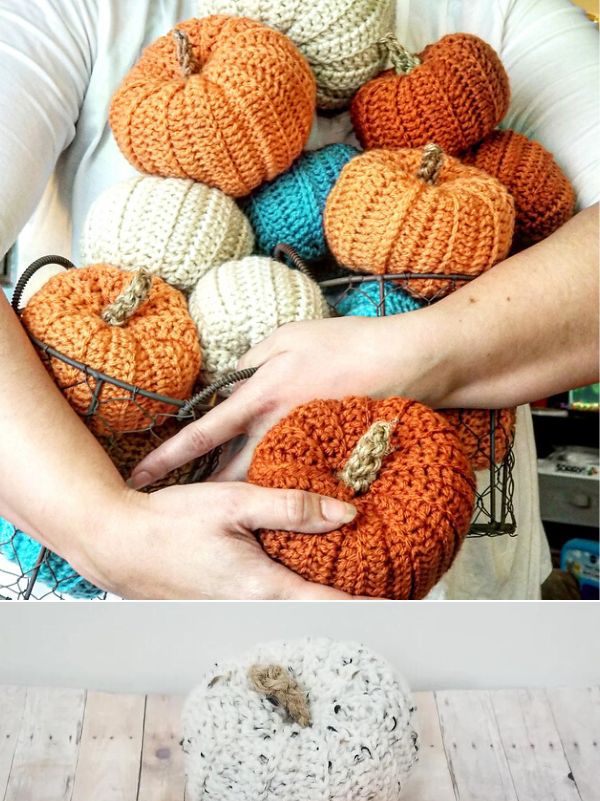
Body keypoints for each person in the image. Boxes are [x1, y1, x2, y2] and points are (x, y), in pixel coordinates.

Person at [0, 0, 597, 600]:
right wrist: (107, 534)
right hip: (129, 609)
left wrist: (410, 355)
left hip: (451, 607)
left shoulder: (498, 16)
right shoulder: (77, 11)